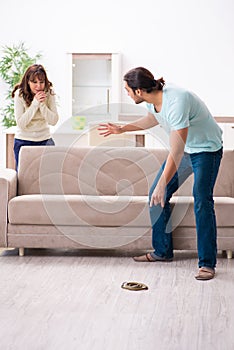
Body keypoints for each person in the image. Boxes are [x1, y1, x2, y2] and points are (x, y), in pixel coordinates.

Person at [99, 67, 223, 280]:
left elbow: (176, 150)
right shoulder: (152, 99)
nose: (127, 94)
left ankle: (207, 264)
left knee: (202, 200)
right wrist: (123, 129)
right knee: (155, 196)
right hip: (187, 149)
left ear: (139, 91)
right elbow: (153, 118)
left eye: (128, 90)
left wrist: (162, 183)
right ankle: (162, 252)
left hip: (206, 150)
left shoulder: (177, 101)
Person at [12, 64, 59, 170]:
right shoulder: (19, 94)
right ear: (28, 81)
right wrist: (35, 103)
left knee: (49, 175)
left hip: (45, 139)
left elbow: (53, 120)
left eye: (41, 82)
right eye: (34, 82)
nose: (39, 86)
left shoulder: (49, 92)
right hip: (23, 141)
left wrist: (42, 104)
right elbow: (21, 123)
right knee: (24, 177)